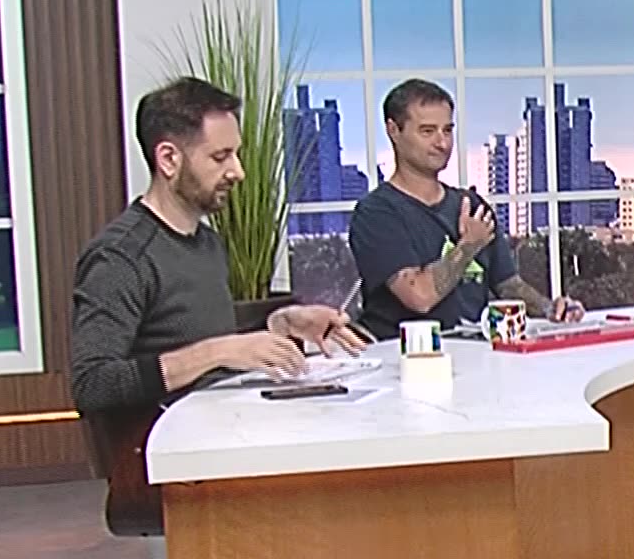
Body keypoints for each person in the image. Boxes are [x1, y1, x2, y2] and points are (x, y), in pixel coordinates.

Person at [70, 77, 366, 414]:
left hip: (227, 424)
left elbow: (194, 330)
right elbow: (92, 385)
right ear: (168, 159)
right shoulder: (121, 257)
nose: (238, 172)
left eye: (235, 155)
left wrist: (280, 324)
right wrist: (215, 353)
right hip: (165, 440)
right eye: (220, 157)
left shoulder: (207, 243)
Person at [349, 79, 581, 340]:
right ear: (394, 130)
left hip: (475, 351)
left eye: (447, 130)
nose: (442, 143)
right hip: (406, 354)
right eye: (427, 131)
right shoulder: (377, 213)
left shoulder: (472, 206)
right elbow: (419, 296)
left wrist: (551, 309)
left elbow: (508, 286)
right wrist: (469, 245)